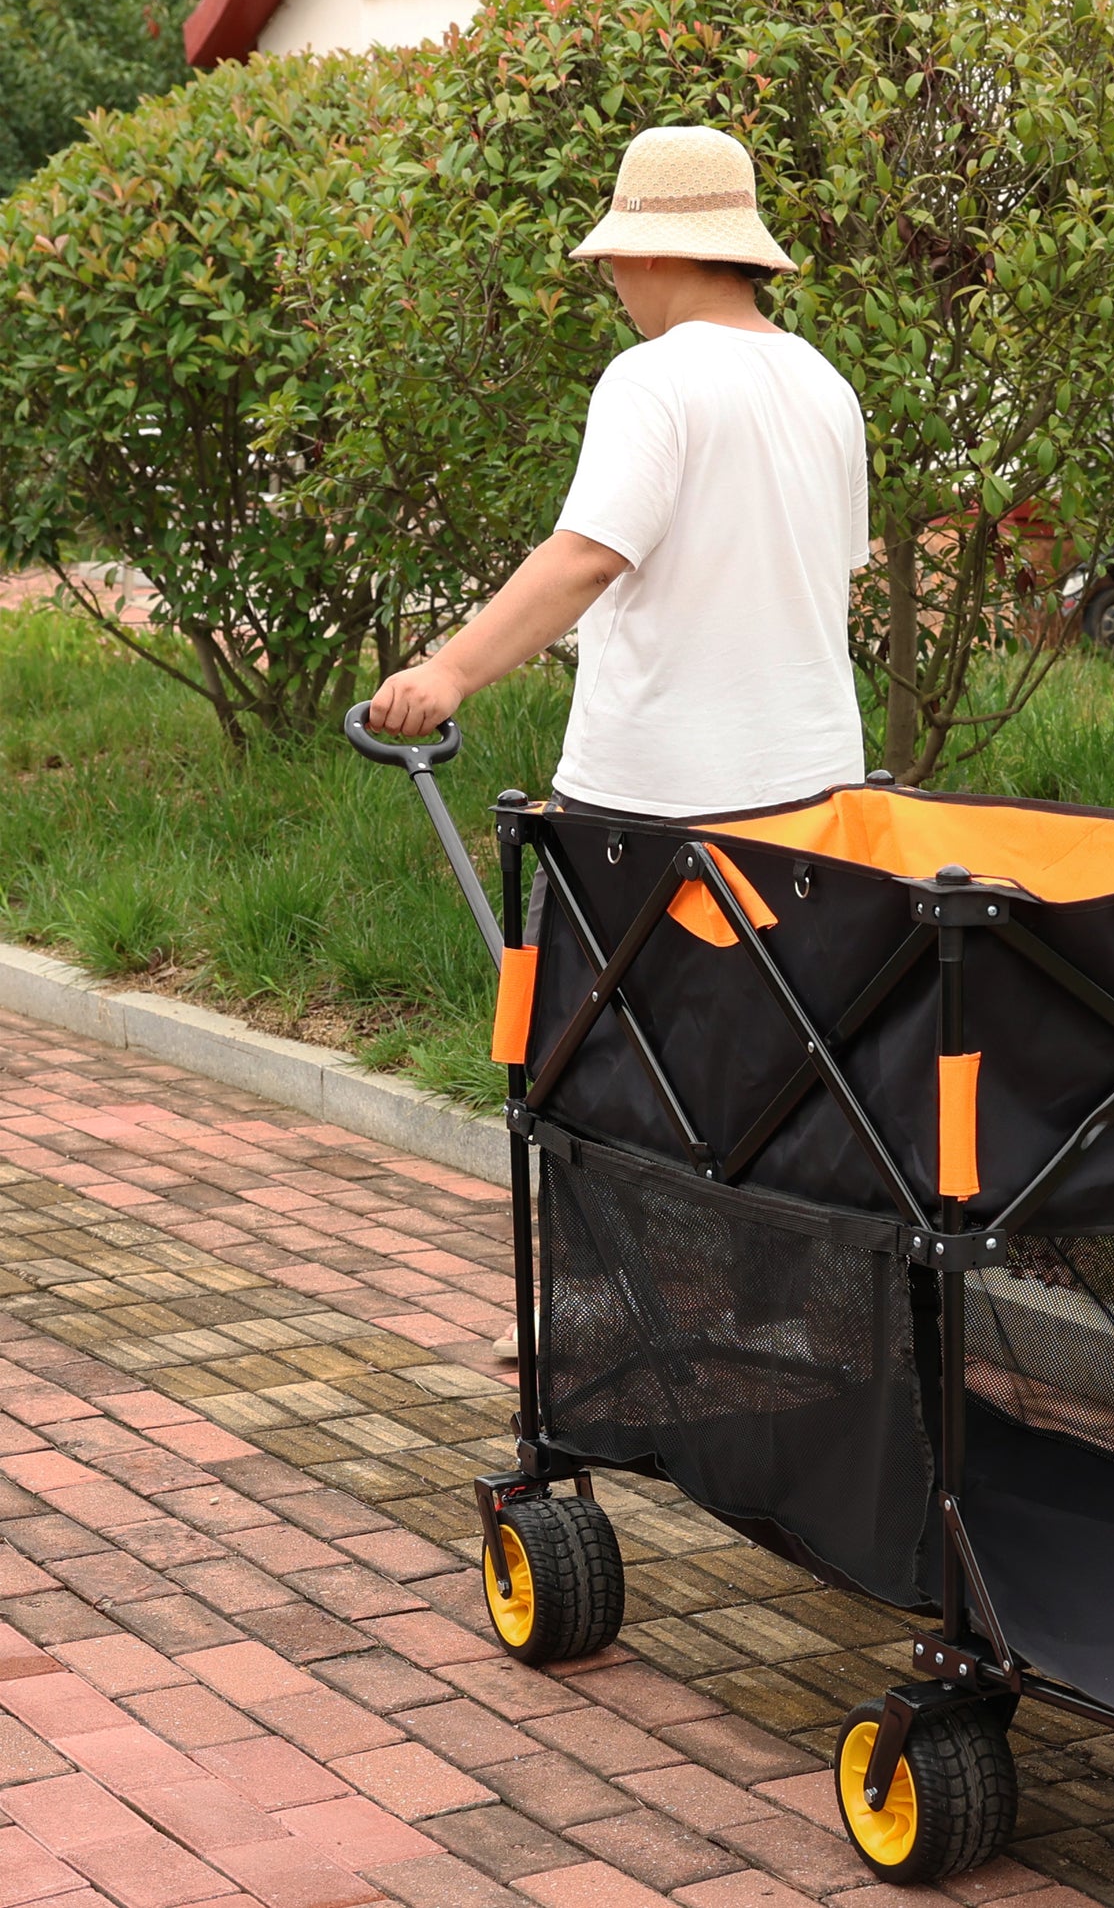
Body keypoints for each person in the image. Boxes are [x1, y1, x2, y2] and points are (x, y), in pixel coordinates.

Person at [367, 124, 871, 1357]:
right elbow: (832, 568)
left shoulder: (649, 381)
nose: (611, 283)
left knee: (587, 1048)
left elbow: (588, 553)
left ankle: (590, 1315)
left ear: (652, 251)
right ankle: (783, 1320)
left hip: (648, 799)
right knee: (781, 1058)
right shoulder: (821, 384)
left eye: (613, 259)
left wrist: (446, 670)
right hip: (810, 796)